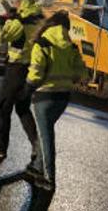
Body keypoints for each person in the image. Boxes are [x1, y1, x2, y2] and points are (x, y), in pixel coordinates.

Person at [22, 10, 87, 189]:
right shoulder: (72, 47)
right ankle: (36, 168)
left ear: (50, 24)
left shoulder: (42, 44)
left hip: (44, 97)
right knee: (46, 133)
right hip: (63, 98)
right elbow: (82, 73)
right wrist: (69, 77)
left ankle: (49, 178)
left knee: (46, 137)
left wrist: (26, 89)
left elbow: (35, 74)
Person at [0, 0, 43, 163]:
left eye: (17, 3)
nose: (15, 5)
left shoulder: (20, 22)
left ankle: (0, 148)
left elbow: (0, 38)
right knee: (23, 108)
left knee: (4, 107)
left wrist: (2, 22)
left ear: (22, 4)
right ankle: (38, 146)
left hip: (16, 68)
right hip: (30, 68)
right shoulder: (38, 20)